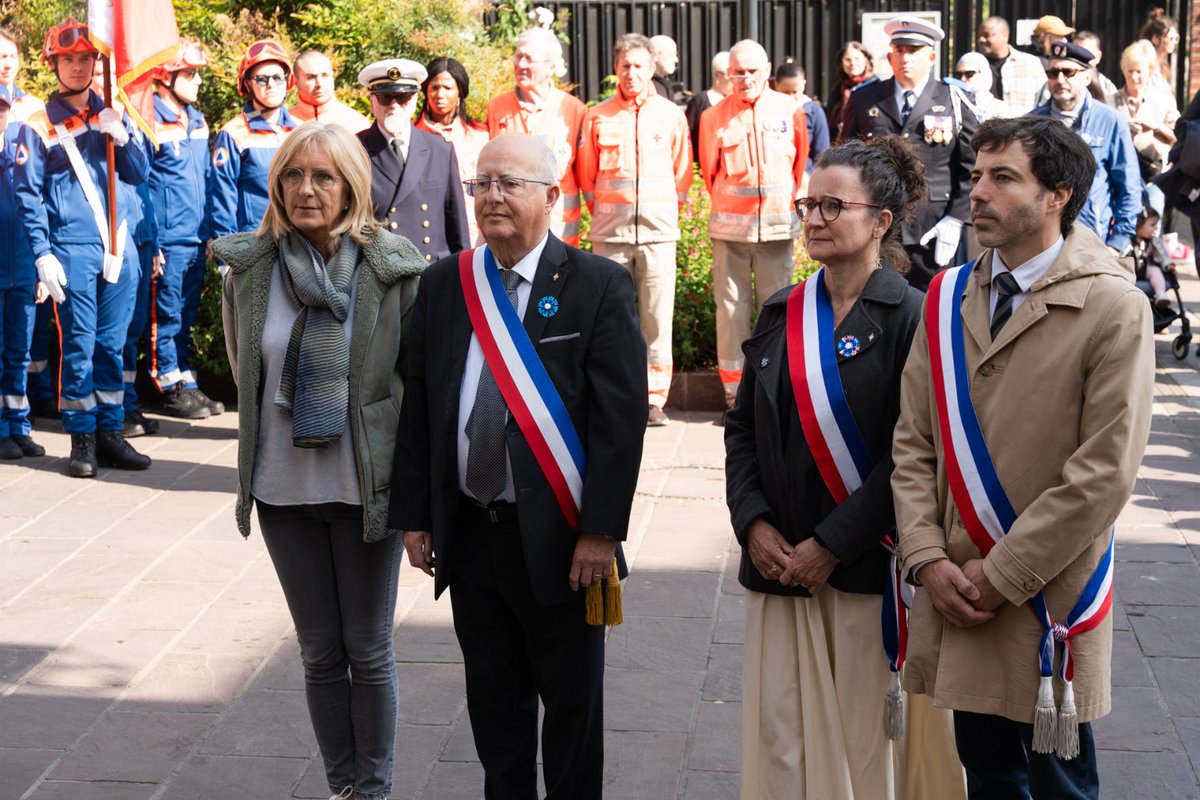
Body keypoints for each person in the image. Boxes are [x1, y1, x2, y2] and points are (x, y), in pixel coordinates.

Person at [892, 115, 1154, 800]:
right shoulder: (947, 296)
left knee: (1059, 787)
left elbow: (1104, 472)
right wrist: (924, 555)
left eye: (1003, 178)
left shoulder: (1115, 306)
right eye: (976, 175)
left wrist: (1000, 573)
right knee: (990, 780)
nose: (976, 192)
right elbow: (914, 440)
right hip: (956, 587)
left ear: (1058, 193)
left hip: (1045, 599)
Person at [391, 133, 646, 800]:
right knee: (494, 708)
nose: (493, 197)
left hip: (562, 541)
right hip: (472, 535)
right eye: (482, 184)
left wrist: (600, 532)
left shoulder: (597, 285)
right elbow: (421, 403)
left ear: (553, 196)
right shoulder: (448, 283)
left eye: (510, 183)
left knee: (571, 708)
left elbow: (619, 425)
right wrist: (416, 515)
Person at [726, 134, 964, 799]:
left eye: (834, 206)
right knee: (782, 741)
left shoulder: (914, 317)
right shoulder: (782, 313)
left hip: (866, 575)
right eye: (809, 204)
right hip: (780, 571)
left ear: (882, 221)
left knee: (864, 748)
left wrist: (830, 544)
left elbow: (916, 455)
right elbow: (742, 430)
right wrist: (752, 522)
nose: (816, 219)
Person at [214, 122, 426, 800]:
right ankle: (343, 787)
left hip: (365, 485)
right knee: (318, 651)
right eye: (293, 177)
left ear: (350, 189)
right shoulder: (248, 269)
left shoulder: (392, 267)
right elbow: (243, 368)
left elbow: (413, 384)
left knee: (368, 649)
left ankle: (375, 787)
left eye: (323, 177)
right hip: (283, 488)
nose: (306, 190)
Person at [13, 17, 151, 478]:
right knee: (79, 345)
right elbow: (27, 195)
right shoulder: (39, 123)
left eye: (85, 58)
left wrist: (124, 138)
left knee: (114, 345)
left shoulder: (114, 110)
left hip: (119, 246)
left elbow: (138, 174)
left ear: (97, 62)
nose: (77, 67)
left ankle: (112, 432)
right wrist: (41, 252)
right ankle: (82, 437)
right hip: (71, 249)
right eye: (67, 58)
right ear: (53, 62)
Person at [576, 33, 691, 426]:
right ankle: (614, 393)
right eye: (625, 65)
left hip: (658, 235)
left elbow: (682, 174)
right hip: (611, 235)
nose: (631, 73)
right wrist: (608, 214)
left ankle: (654, 399)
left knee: (657, 320)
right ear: (615, 69)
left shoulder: (672, 115)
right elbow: (586, 178)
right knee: (610, 319)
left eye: (639, 65)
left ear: (652, 69)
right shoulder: (597, 117)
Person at [699, 39, 808, 408]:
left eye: (752, 71)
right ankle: (734, 393)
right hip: (729, 230)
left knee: (778, 307)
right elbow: (709, 172)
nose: (744, 78)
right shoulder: (713, 116)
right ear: (728, 74)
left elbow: (799, 164)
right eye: (737, 72)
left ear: (767, 71)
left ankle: (776, 384)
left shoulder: (789, 109)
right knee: (731, 309)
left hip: (777, 228)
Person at [844, 17, 978, 291]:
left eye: (913, 51)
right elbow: (846, 163)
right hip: (877, 223)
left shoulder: (953, 99)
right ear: (890, 55)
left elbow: (973, 165)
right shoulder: (864, 99)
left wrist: (955, 218)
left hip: (934, 227)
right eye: (900, 50)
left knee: (933, 308)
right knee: (877, 304)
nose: (905, 58)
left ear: (930, 56)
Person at [145, 42, 225, 421]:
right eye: (190, 74)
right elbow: (141, 184)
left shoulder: (197, 119)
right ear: (166, 77)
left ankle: (186, 380)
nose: (197, 81)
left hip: (195, 238)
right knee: (167, 314)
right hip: (169, 241)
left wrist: (210, 233)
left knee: (186, 315)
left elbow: (207, 180)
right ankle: (166, 385)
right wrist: (154, 241)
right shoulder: (150, 117)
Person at [1028, 41, 1142, 255]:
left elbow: (1129, 187)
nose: (1059, 80)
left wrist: (1116, 244)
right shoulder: (1031, 124)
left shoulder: (1110, 121)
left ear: (1087, 77)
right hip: (1040, 245)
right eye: (1053, 73)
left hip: (1093, 244)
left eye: (1068, 72)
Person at [357, 58, 469, 265]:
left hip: (432, 273)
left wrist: (461, 278)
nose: (394, 106)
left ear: (416, 99)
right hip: (379, 277)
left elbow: (457, 226)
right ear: (372, 102)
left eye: (403, 97)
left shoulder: (440, 149)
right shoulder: (354, 150)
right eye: (385, 98)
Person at [486, 28, 587, 247]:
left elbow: (587, 176)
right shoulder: (496, 108)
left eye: (529, 59)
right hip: (510, 230)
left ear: (550, 67)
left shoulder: (574, 110)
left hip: (559, 231)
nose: (521, 64)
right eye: (518, 56)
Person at [2, 28, 54, 422]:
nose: (4, 63)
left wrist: (41, 256)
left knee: (20, 344)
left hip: (22, 252)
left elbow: (44, 189)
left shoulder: (36, 110)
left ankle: (18, 425)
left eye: (9, 56)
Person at [207, 40, 299, 242]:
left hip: (299, 242)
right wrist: (228, 256)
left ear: (288, 80)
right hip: (255, 243)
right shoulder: (233, 134)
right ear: (248, 83)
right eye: (261, 79)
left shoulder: (299, 131)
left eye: (277, 77)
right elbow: (222, 198)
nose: (271, 85)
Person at [0, 85, 42, 460]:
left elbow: (40, 213)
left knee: (18, 354)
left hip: (23, 272)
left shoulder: (22, 152)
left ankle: (18, 425)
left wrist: (41, 272)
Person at [415, 56, 489, 245]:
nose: (440, 95)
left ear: (460, 93)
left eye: (447, 88)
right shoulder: (412, 137)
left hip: (479, 236)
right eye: (434, 87)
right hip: (430, 238)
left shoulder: (480, 136)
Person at [1115, 40, 1179, 184]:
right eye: (1130, 71)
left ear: (1149, 72)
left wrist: (1156, 127)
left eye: (1139, 71)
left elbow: (1179, 135)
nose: (1134, 77)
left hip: (1154, 176)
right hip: (1120, 176)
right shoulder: (1111, 101)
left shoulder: (1164, 100)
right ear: (1123, 70)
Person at [976, 16, 1049, 115]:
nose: (981, 39)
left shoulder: (1030, 63)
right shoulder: (973, 65)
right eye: (979, 35)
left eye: (986, 35)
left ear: (1005, 36)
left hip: (1025, 127)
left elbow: (1045, 100)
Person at [290, 50, 371, 133]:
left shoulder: (356, 123)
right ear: (296, 82)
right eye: (310, 77)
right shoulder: (284, 125)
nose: (319, 84)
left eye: (325, 75)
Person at [773, 60, 830, 175]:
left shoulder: (814, 112)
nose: (790, 97)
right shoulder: (768, 110)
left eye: (795, 92)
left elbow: (822, 153)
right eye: (785, 92)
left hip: (805, 178)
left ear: (803, 85)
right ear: (776, 85)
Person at [684, 50, 730, 165]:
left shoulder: (737, 101)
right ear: (716, 75)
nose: (733, 80)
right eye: (728, 75)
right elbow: (689, 136)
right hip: (702, 166)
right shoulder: (700, 101)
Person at [826, 41, 875, 144]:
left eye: (857, 59)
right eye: (848, 59)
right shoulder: (838, 89)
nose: (853, 63)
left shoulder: (875, 87)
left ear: (866, 60)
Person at [1134, 201, 1173, 308]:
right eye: (1152, 225)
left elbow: (1163, 254)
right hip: (1131, 271)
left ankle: (1160, 294)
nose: (1155, 228)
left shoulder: (1153, 241)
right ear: (1139, 225)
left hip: (1145, 270)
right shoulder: (1128, 241)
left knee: (1154, 270)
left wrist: (1168, 264)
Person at [954, 52, 1013, 121]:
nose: (962, 79)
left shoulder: (999, 109)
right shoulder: (952, 106)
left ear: (984, 73)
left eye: (969, 73)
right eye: (958, 75)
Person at [1139, 9, 1180, 98]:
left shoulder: (1163, 66)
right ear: (1156, 39)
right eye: (1171, 38)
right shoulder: (1146, 64)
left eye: (1176, 38)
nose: (1174, 42)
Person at [1072, 32, 1120, 107]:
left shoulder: (1107, 88)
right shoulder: (1060, 81)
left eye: (1086, 53)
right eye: (1075, 53)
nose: (1080, 58)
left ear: (1098, 56)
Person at [650, 34, 686, 105]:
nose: (676, 60)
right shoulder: (645, 85)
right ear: (655, 55)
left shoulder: (663, 84)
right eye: (671, 54)